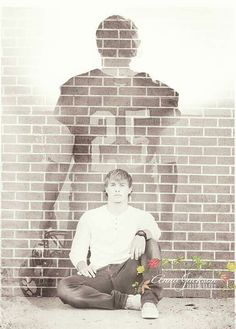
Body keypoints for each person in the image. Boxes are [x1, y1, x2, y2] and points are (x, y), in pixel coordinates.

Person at [57, 169, 163, 319]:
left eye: (122, 185)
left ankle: (149, 302)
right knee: (65, 287)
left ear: (130, 189)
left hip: (129, 272)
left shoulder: (141, 215)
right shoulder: (90, 216)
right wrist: (81, 264)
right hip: (100, 274)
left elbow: (156, 233)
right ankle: (127, 301)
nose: (117, 189)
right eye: (113, 185)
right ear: (106, 189)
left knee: (151, 241)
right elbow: (77, 249)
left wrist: (142, 234)